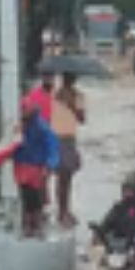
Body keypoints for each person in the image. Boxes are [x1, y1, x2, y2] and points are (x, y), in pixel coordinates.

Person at [0, 111, 59, 237]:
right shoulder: (23, 131)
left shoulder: (39, 129)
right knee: (29, 198)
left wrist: (49, 165)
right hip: (26, 171)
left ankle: (33, 225)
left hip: (33, 171)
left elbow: (51, 146)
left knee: (33, 199)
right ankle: (31, 225)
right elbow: (5, 151)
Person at [52, 71, 87, 227]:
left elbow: (82, 119)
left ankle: (65, 209)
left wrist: (72, 105)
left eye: (71, 77)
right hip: (56, 137)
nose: (69, 79)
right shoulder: (55, 94)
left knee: (68, 177)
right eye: (66, 77)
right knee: (62, 176)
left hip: (70, 138)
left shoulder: (78, 96)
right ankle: (61, 212)